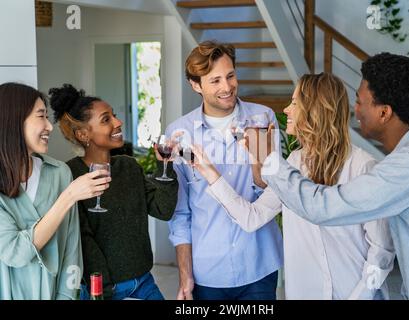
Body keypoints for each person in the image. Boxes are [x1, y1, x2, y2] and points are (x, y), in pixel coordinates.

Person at [252, 53, 409, 299]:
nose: (353, 109)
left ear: (384, 113)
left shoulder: (408, 165)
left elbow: (323, 207)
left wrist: (268, 159)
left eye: (360, 101)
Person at [191, 73, 395, 299]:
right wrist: (209, 172)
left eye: (295, 103)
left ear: (316, 110)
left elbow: (382, 250)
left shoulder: (363, 167)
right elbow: (252, 217)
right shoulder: (292, 164)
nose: (286, 110)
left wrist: (360, 296)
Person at [165, 40, 283, 300]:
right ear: (196, 85)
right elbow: (181, 212)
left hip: (259, 264)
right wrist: (185, 273)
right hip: (208, 270)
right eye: (215, 80)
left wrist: (258, 158)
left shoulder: (262, 119)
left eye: (230, 76)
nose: (227, 87)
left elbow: (273, 190)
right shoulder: (178, 134)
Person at [49, 84, 179, 300]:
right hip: (102, 290)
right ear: (83, 134)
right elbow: (83, 240)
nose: (118, 122)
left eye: (114, 116)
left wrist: (164, 166)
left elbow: (163, 209)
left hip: (145, 281)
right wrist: (103, 290)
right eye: (106, 119)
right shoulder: (70, 175)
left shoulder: (128, 166)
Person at [0, 82, 110, 300]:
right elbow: (15, 252)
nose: (50, 127)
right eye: (41, 116)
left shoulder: (59, 173)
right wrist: (68, 197)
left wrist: (67, 297)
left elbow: (72, 250)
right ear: (14, 122)